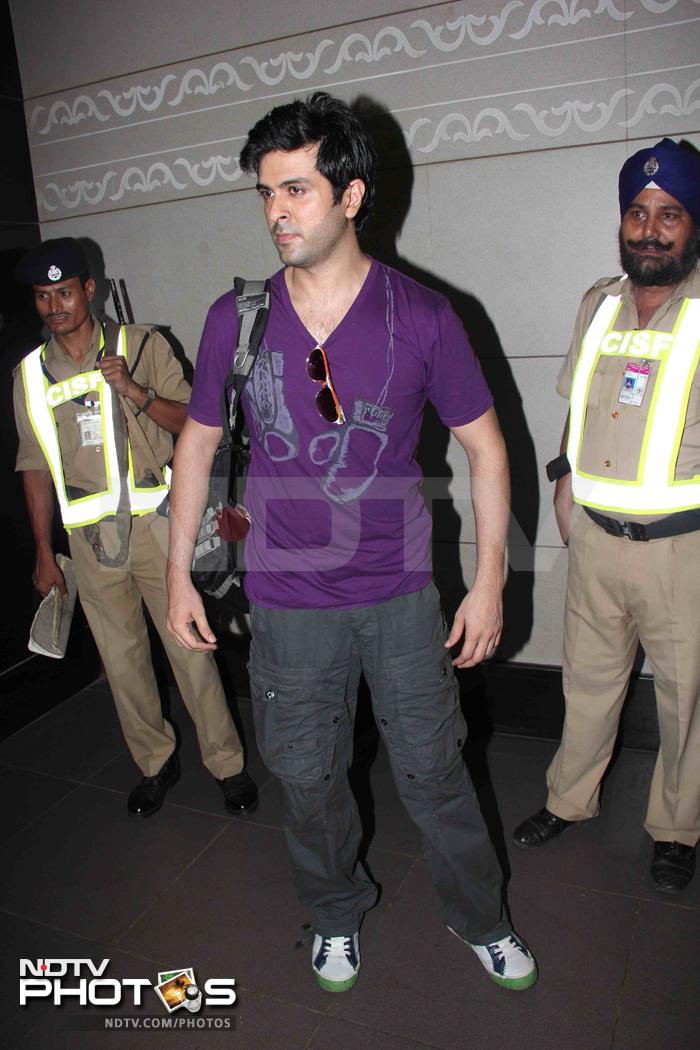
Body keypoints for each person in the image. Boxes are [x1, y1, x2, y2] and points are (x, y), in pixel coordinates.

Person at [166, 92, 537, 993]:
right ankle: (334, 913)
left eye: (296, 189)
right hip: (287, 602)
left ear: (352, 194)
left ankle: (481, 918)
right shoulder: (237, 319)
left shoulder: (423, 316)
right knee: (307, 777)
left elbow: (486, 448)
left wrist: (489, 583)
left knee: (435, 773)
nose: (277, 212)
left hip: (402, 592)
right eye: (265, 193)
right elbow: (198, 442)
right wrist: (178, 572)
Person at [13, 238, 258, 819]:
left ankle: (227, 764)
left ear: (88, 290)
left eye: (65, 292)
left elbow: (197, 425)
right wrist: (45, 550)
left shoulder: (141, 344)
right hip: (91, 545)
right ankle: (154, 763)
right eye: (43, 297)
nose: (55, 306)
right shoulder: (28, 377)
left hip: (157, 530)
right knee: (121, 664)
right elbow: (33, 465)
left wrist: (134, 391)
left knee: (189, 651)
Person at [513, 138, 700, 895]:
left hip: (681, 553)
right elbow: (578, 405)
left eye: (670, 215)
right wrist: (562, 481)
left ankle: (677, 829)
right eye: (637, 212)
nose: (650, 229)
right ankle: (569, 800)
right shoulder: (598, 302)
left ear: (693, 225)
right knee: (586, 682)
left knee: (686, 700)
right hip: (594, 540)